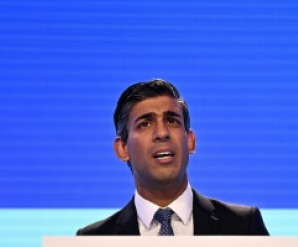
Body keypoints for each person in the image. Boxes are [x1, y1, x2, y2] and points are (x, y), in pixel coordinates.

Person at [77, 79, 269, 235]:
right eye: (145, 124)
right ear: (122, 149)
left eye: (172, 121)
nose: (162, 133)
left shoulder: (243, 226)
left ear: (190, 141)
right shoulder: (94, 241)